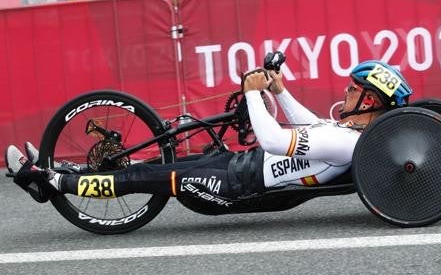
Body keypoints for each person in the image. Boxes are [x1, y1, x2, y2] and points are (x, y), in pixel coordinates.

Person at [5, 60, 413, 205]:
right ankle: (62, 173)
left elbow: (274, 140)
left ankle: (49, 181)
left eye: (354, 89)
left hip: (237, 183)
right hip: (239, 166)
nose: (345, 91)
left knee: (140, 178)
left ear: (372, 101)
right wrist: (279, 90)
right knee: (147, 165)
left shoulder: (349, 141)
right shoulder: (346, 132)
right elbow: (310, 127)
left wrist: (254, 94)